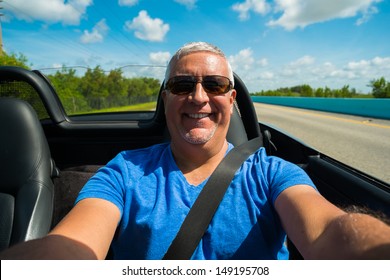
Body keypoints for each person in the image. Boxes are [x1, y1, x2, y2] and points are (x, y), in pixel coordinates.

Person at [1, 42, 390, 260]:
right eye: (183, 84)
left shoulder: (272, 174)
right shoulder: (124, 172)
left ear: (233, 99)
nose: (199, 97)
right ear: (166, 97)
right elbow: (75, 247)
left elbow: (328, 231)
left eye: (216, 85)